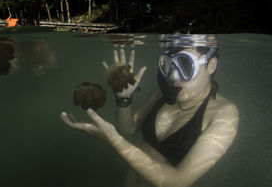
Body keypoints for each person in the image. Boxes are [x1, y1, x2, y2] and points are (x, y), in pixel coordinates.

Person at [60, 35, 239, 187]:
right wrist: (124, 98)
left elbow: (178, 181)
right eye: (168, 65)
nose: (173, 76)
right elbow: (128, 128)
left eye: (185, 65)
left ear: (211, 65)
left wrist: (113, 140)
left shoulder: (224, 113)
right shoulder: (164, 90)